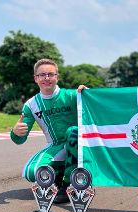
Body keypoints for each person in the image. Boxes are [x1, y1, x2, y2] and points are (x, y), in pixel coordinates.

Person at [11, 58, 87, 204]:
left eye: (51, 74)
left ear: (57, 77)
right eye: (42, 75)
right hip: (55, 145)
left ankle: (69, 183)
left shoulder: (73, 95)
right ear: (36, 78)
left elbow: (94, 110)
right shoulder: (31, 104)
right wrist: (15, 132)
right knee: (31, 172)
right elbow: (20, 139)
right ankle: (58, 174)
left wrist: (88, 94)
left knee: (73, 131)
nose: (47, 78)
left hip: (81, 144)